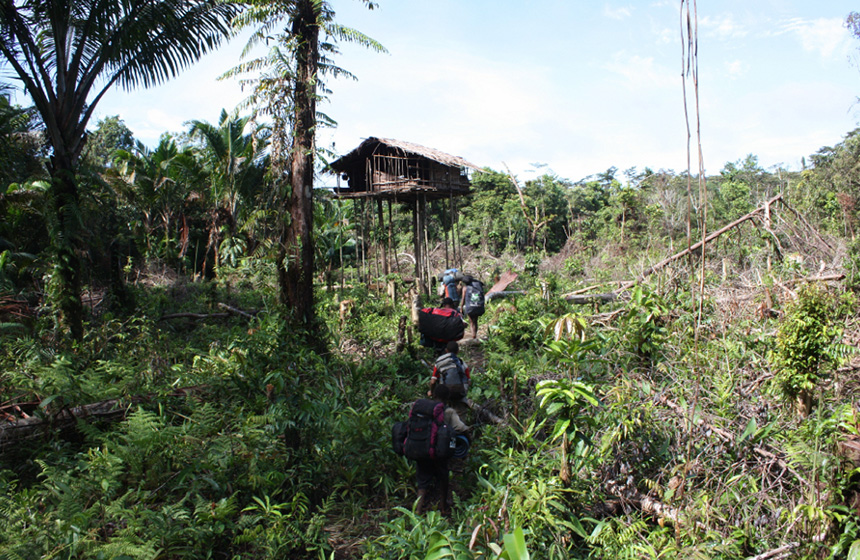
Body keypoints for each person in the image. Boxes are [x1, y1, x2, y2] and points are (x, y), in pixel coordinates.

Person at [415, 384, 470, 515]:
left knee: (422, 482)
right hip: (439, 453)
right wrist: (467, 442)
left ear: (433, 395)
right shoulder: (449, 411)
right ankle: (443, 507)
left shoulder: (424, 409)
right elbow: (461, 428)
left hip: (422, 450)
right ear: (448, 397)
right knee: (443, 478)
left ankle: (417, 510)